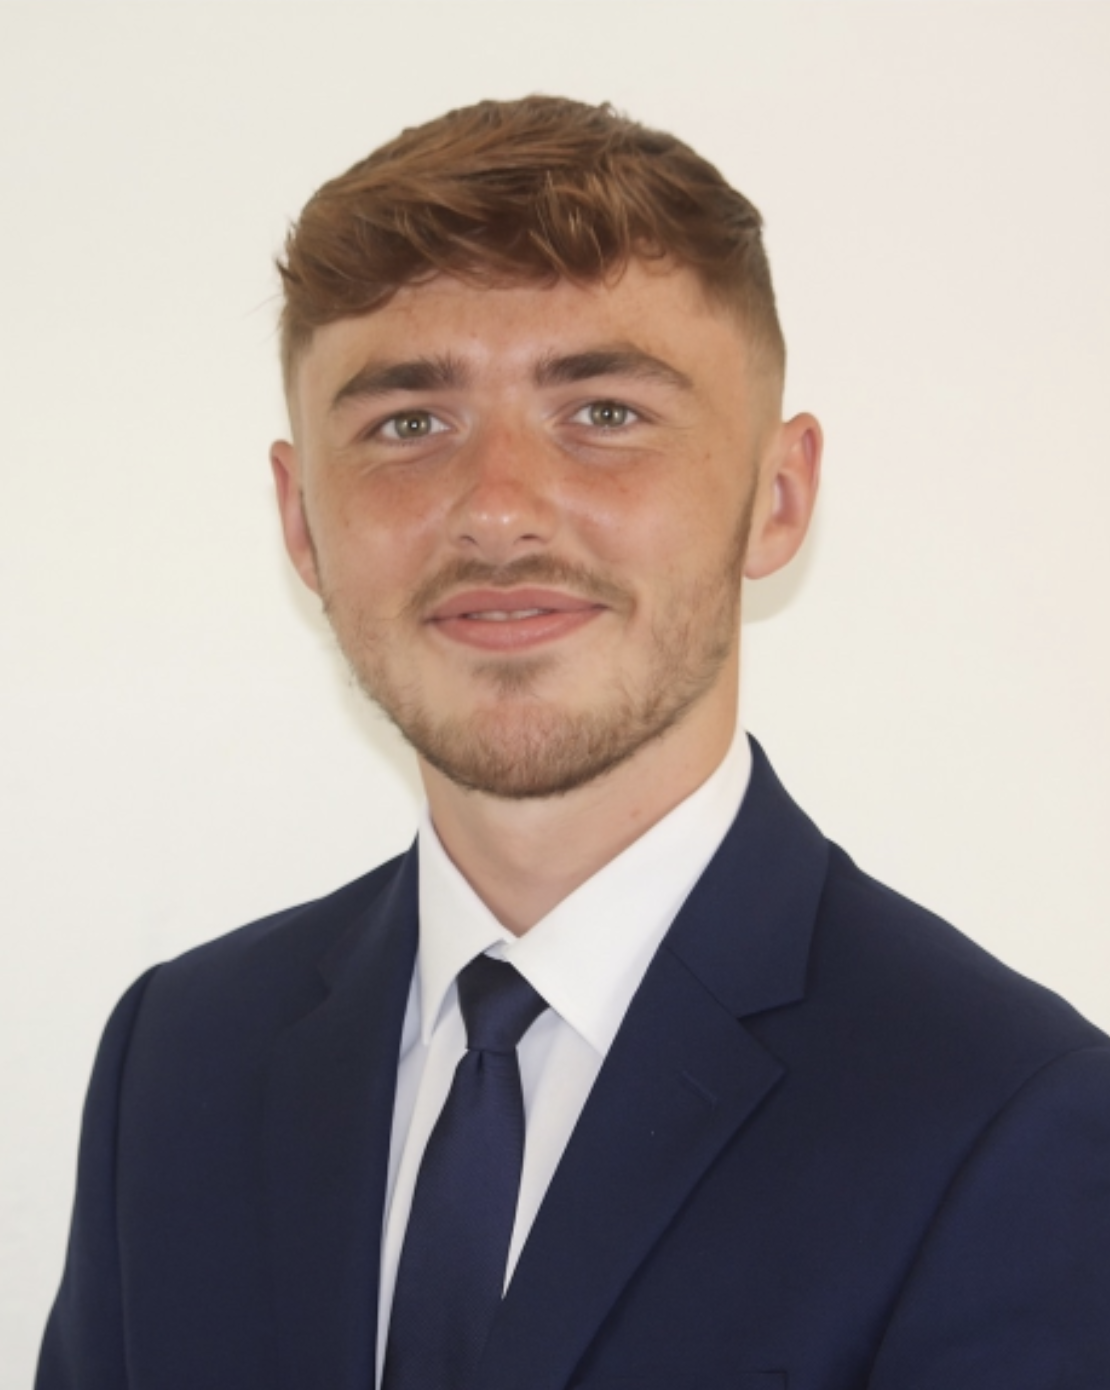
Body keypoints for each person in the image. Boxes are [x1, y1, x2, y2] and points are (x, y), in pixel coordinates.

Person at [38, 96, 1110, 1390]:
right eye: (406, 422)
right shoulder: (178, 1060)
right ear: (302, 520)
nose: (496, 509)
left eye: (602, 410)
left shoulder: (1011, 1118)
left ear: (778, 496)